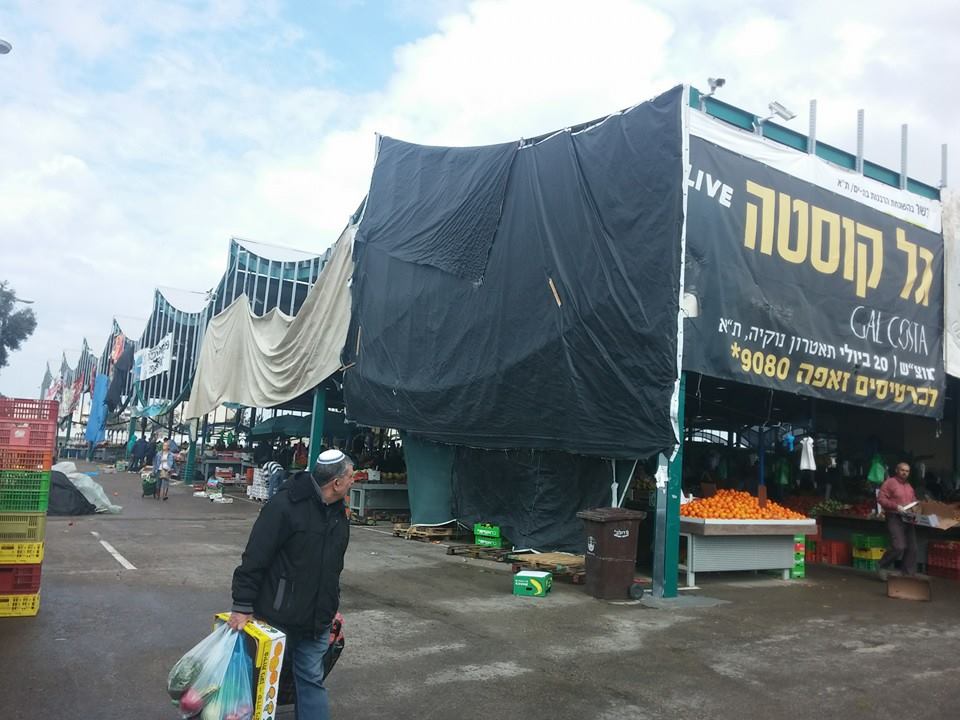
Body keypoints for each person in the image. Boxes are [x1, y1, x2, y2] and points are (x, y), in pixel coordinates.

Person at [228, 449, 355, 720]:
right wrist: (242, 604)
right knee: (257, 682)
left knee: (310, 679)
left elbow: (333, 567)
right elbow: (256, 556)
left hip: (317, 620)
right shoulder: (284, 505)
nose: (353, 481)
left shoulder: (339, 513)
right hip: (278, 617)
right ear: (336, 483)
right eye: (350, 477)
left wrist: (330, 604)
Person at [877, 461, 918, 578]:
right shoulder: (889, 483)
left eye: (907, 471)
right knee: (899, 546)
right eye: (902, 470)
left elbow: (913, 500)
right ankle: (882, 565)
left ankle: (907, 574)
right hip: (894, 517)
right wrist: (896, 506)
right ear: (896, 470)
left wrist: (915, 507)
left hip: (908, 518)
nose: (904, 473)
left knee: (912, 548)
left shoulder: (909, 486)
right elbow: (881, 499)